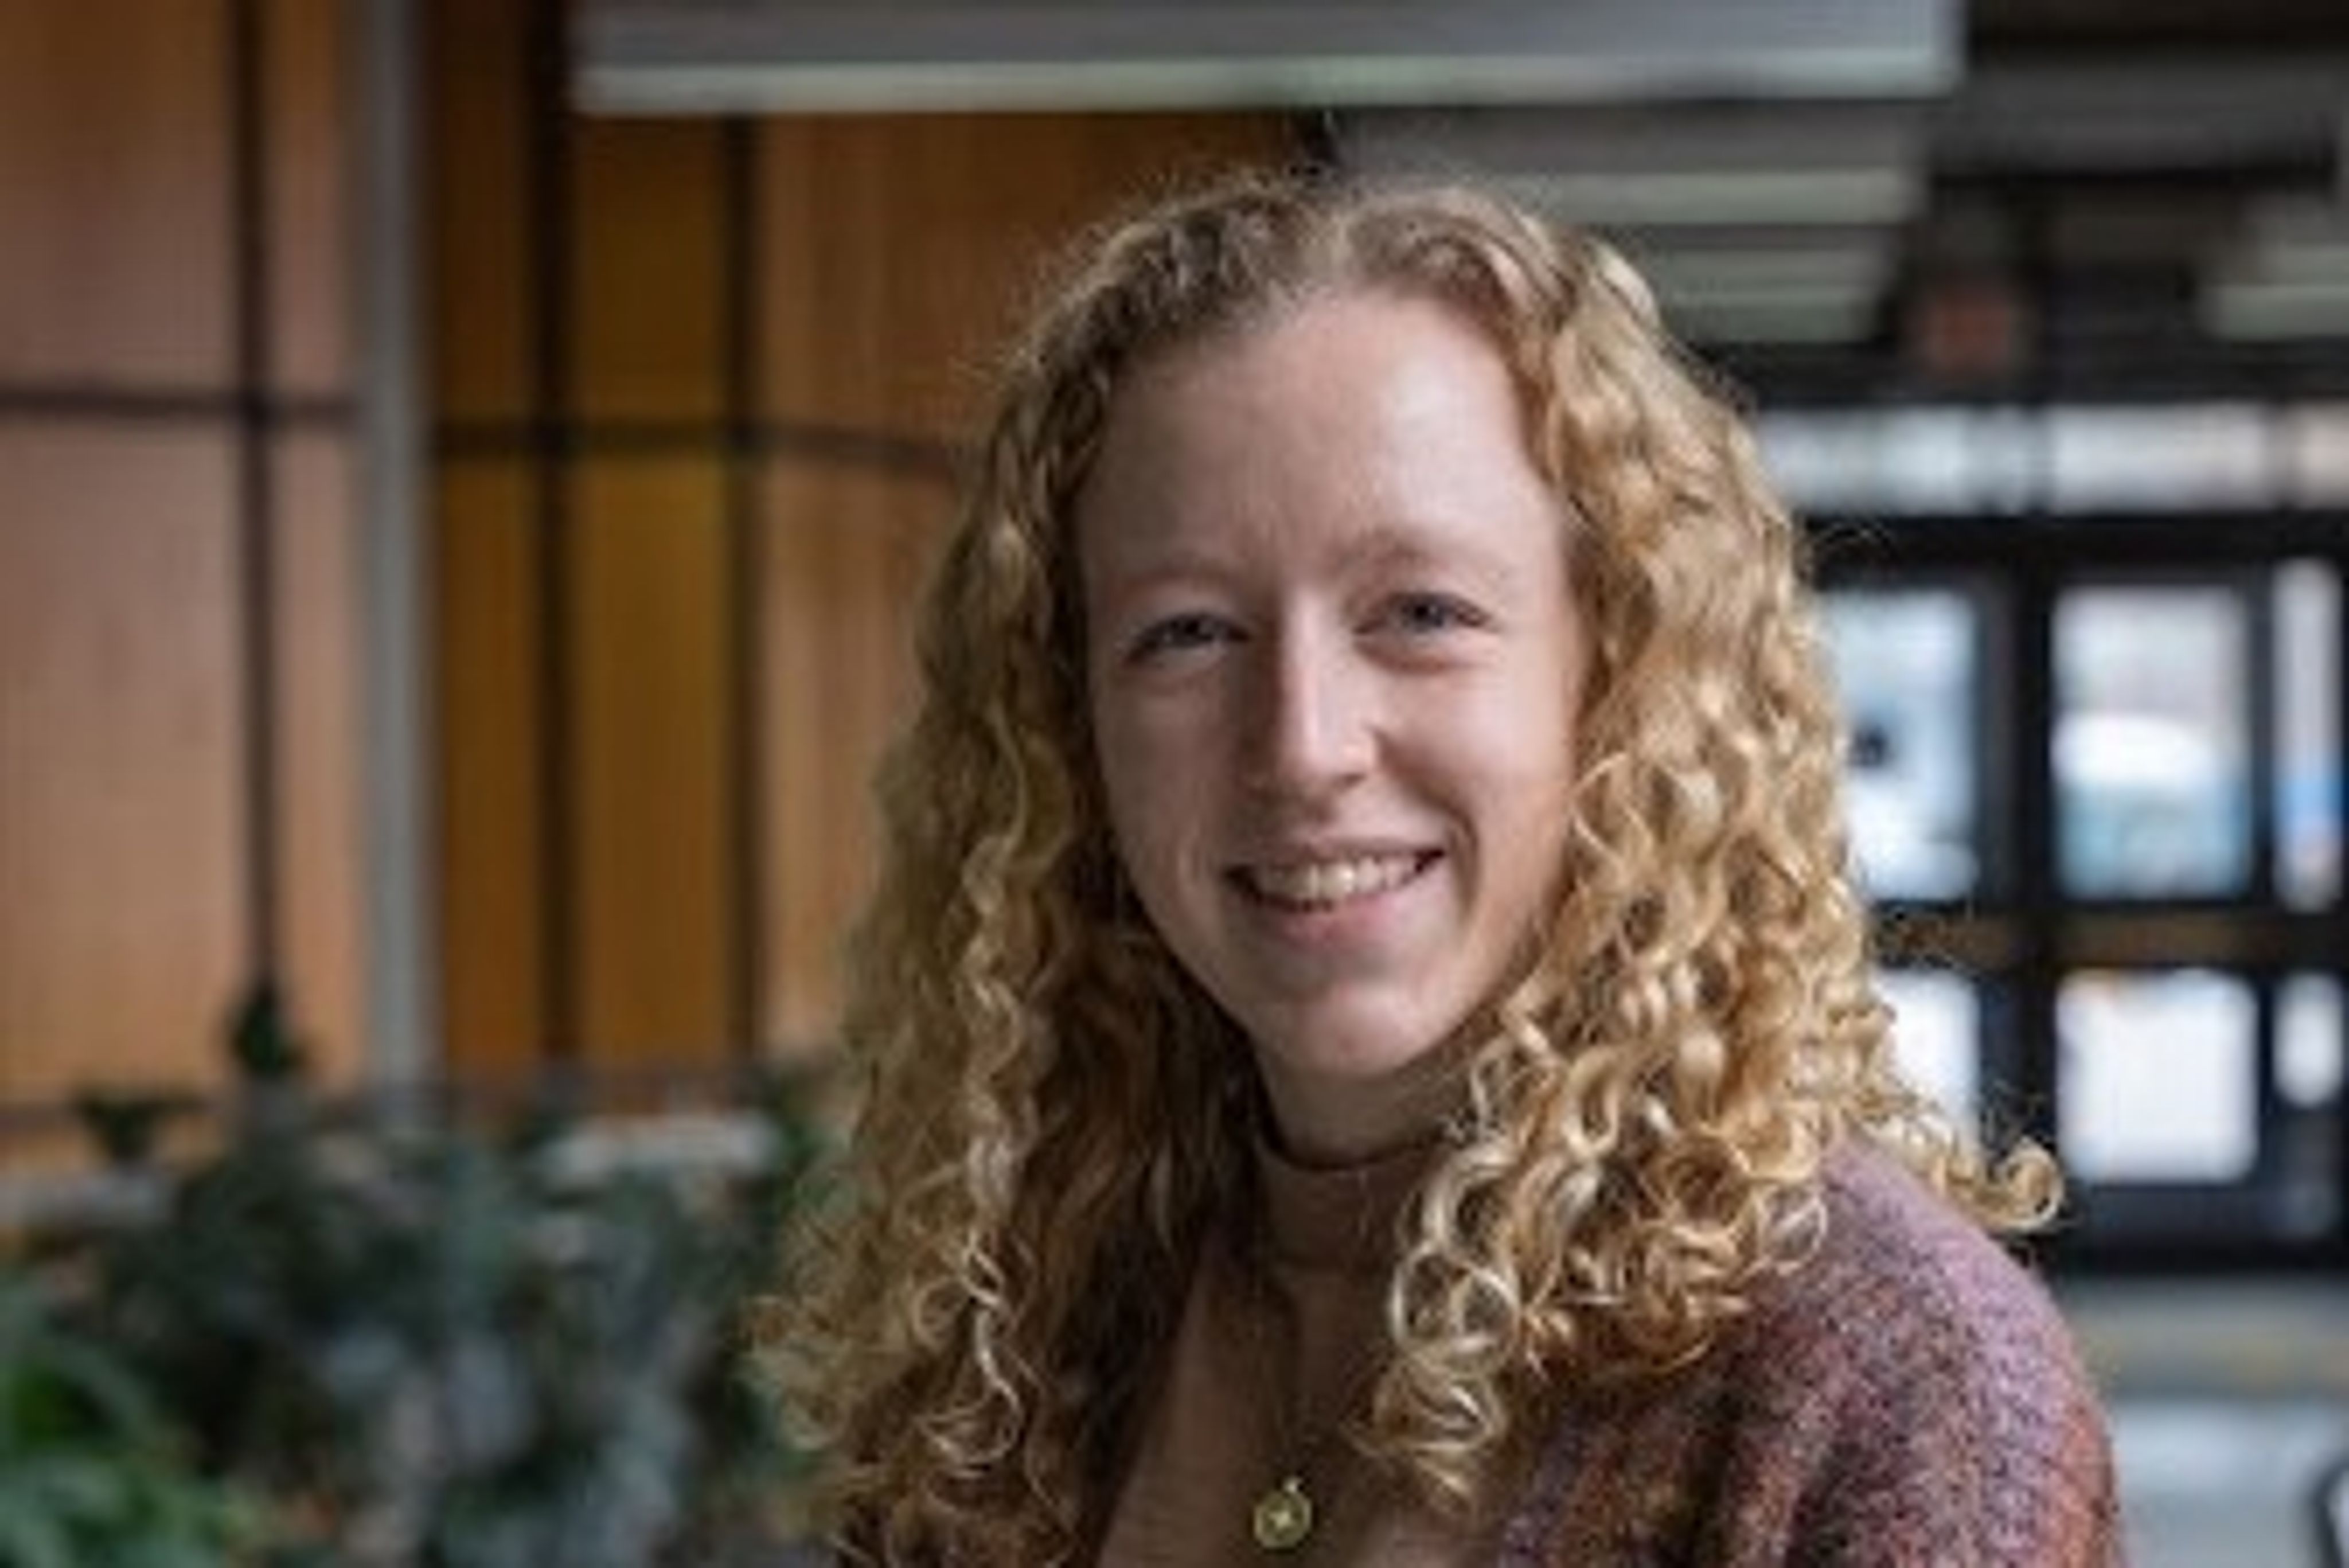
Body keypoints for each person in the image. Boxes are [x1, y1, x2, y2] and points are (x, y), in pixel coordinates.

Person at [765, 171, 2124, 1566]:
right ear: (1070, 725)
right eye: (1185, 634)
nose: (1300, 746)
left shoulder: (1887, 1387)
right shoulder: (1026, 1334)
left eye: (1419, 613)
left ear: (1618, 678)